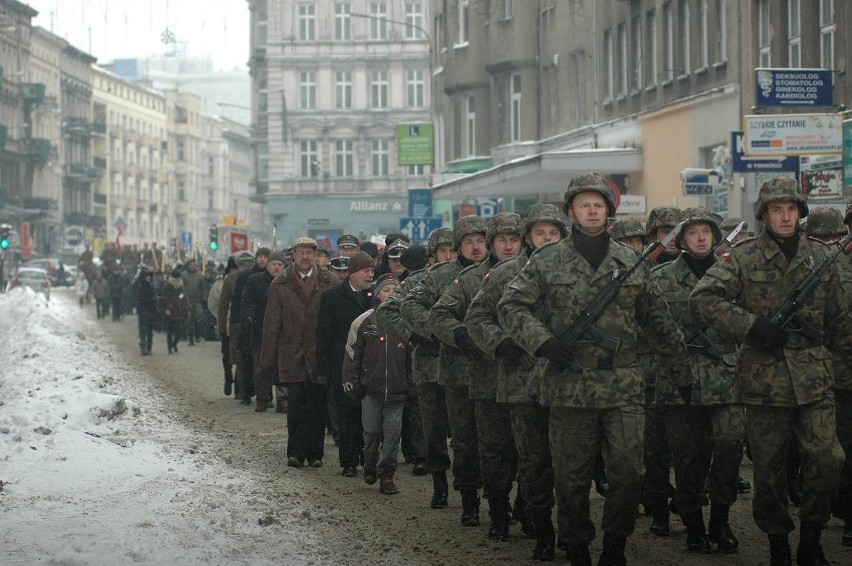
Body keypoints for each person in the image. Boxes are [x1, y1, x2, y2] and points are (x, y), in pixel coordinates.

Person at [498, 173, 693, 565]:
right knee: (570, 479)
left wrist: (681, 371)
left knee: (627, 473)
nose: (591, 210)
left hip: (622, 384)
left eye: (598, 205)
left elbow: (659, 321)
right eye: (584, 204)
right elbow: (510, 306)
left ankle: (615, 545)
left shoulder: (629, 262)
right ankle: (576, 546)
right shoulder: (547, 259)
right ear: (571, 211)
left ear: (609, 212)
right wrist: (543, 341)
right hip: (568, 386)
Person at [690, 178, 851, 566]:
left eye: (791, 209)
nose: (785, 216)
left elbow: (840, 322)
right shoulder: (742, 258)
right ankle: (779, 545)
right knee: (770, 473)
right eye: (777, 209)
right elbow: (703, 300)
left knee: (829, 460)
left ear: (800, 213)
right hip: (764, 382)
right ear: (764, 214)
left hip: (815, 378)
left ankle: (810, 539)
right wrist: (751, 325)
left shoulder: (820, 257)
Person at [466, 203, 567, 559]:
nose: (547, 239)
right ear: (529, 237)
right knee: (524, 458)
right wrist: (501, 343)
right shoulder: (506, 273)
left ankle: (556, 524)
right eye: (540, 233)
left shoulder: (579, 271)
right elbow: (476, 316)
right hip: (520, 381)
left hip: (566, 383)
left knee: (566, 461)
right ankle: (519, 520)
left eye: (553, 233)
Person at [652, 207, 744, 554]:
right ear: (682, 239)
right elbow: (649, 328)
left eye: (706, 231)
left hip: (727, 375)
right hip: (680, 380)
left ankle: (721, 520)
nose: (701, 237)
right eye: (693, 232)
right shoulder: (661, 279)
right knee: (688, 457)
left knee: (731, 445)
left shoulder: (734, 275)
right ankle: (694, 523)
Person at [430, 212, 523, 542]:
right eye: (502, 240)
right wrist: (461, 336)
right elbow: (438, 313)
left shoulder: (537, 273)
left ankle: (526, 506)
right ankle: (482, 504)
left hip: (527, 379)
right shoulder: (470, 280)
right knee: (481, 445)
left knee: (527, 449)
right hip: (479, 377)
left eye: (514, 240)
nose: (509, 246)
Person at [402, 216, 489, 527]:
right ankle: (452, 489)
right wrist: (438, 332)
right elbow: (405, 307)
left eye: (480, 241)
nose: (476, 247)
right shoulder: (439, 277)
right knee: (448, 433)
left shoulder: (501, 272)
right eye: (468, 242)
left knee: (493, 440)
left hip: (494, 370)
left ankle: (496, 497)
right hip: (447, 368)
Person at [262, 237, 338, 468]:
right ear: (293, 255)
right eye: (300, 252)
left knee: (317, 405)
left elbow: (335, 320)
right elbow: (272, 323)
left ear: (315, 255)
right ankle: (295, 452)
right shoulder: (280, 284)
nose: (304, 257)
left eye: (309, 252)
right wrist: (268, 360)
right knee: (295, 406)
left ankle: (315, 454)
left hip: (318, 354)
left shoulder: (328, 281)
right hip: (291, 352)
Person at [343, 273, 408, 494]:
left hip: (397, 392)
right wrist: (353, 382)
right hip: (371, 390)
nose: (390, 294)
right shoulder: (364, 321)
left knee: (392, 435)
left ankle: (387, 475)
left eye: (395, 290)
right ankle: (369, 464)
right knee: (371, 432)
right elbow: (352, 355)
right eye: (386, 290)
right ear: (377, 294)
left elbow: (415, 357)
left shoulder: (407, 321)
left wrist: (413, 385)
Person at [316, 251, 376, 477]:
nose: (370, 275)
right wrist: (323, 369)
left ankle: (368, 458)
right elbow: (323, 334)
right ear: (352, 273)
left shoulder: (376, 297)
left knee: (369, 416)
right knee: (348, 416)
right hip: (343, 366)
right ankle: (349, 461)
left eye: (372, 270)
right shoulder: (332, 297)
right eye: (365, 271)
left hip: (371, 366)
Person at [241, 251, 287, 412]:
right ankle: (262, 398)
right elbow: (246, 302)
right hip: (260, 331)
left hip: (283, 333)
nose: (276, 267)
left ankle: (282, 401)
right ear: (267, 265)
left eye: (280, 265)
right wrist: (249, 317)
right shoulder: (255, 281)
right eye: (273, 264)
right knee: (261, 368)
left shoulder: (288, 282)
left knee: (282, 368)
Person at [230, 248, 270, 405]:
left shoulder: (276, 278)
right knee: (246, 362)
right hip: (248, 325)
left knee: (264, 363)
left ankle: (266, 396)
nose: (262, 259)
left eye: (265, 257)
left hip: (265, 325)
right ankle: (246, 393)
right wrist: (238, 321)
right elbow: (238, 301)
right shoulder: (245, 276)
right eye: (260, 256)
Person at [218, 252, 256, 398]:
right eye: (243, 263)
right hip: (234, 323)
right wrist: (222, 326)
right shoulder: (230, 280)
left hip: (250, 322)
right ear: (238, 265)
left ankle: (244, 388)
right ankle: (233, 383)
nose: (246, 266)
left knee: (247, 356)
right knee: (233, 356)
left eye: (249, 263)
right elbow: (223, 305)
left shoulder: (256, 277)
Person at [208, 257, 239, 395]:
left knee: (241, 357)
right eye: (233, 269)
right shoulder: (220, 284)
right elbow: (213, 304)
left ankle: (240, 385)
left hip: (240, 325)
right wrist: (222, 317)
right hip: (226, 326)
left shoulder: (246, 280)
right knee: (227, 355)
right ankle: (228, 377)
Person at [163, 269, 190, 354]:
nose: (179, 280)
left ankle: (174, 344)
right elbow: (164, 299)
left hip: (179, 310)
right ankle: (169, 347)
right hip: (170, 311)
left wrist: (186, 307)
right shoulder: (167, 286)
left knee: (179, 331)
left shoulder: (181, 286)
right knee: (170, 331)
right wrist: (166, 308)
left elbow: (184, 297)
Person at [181, 259, 206, 345]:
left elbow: (203, 288)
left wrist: (204, 298)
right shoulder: (184, 275)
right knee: (189, 320)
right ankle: (190, 339)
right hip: (187, 300)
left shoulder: (200, 275)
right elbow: (182, 287)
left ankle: (197, 335)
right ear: (188, 265)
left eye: (194, 265)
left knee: (199, 317)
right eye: (191, 265)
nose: (192, 266)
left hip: (198, 300)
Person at [135, 266, 158, 355]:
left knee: (149, 330)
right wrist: (152, 300)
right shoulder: (140, 287)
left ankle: (148, 347)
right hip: (143, 310)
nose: (149, 277)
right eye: (147, 276)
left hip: (150, 310)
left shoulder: (150, 286)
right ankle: (143, 347)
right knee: (143, 329)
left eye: (149, 276)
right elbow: (141, 300)